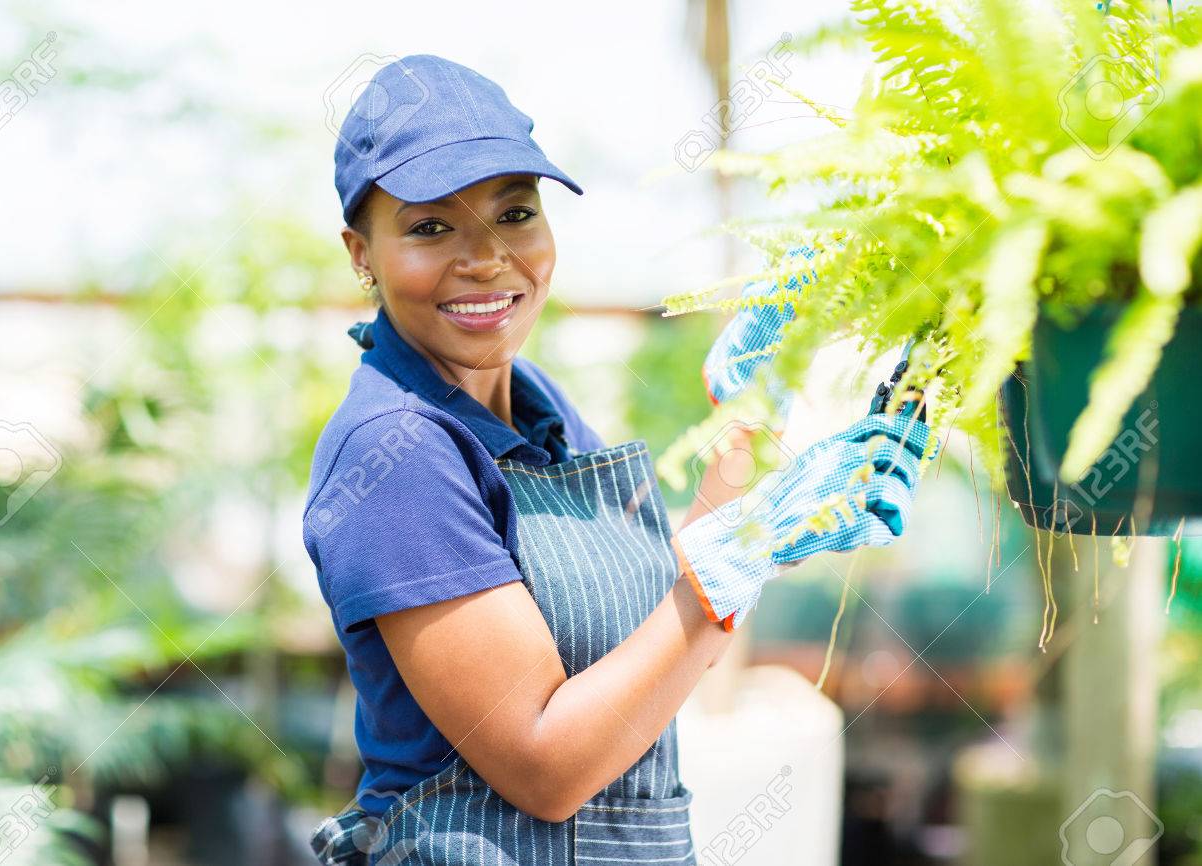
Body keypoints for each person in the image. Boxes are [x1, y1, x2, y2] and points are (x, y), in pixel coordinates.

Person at [304, 54, 933, 866]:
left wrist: (749, 425)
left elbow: (656, 641)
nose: (487, 257)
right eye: (430, 226)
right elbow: (545, 765)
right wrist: (750, 549)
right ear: (362, 253)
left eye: (515, 213)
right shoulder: (399, 454)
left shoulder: (539, 409)